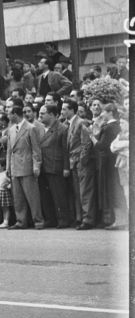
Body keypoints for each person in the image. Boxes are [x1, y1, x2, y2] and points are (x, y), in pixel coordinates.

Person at [5, 102, 44, 229]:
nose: (8, 116)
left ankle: (38, 221)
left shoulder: (30, 128)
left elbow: (36, 149)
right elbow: (9, 151)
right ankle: (21, 221)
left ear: (15, 114)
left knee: (32, 196)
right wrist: (8, 167)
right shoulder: (11, 129)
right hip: (15, 166)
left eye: (9, 114)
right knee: (18, 197)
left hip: (27, 165)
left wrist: (36, 165)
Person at [36, 103, 72, 228]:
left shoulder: (62, 129)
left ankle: (63, 219)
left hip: (56, 167)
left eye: (42, 113)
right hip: (43, 167)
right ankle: (50, 219)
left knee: (59, 195)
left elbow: (66, 150)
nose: (39, 116)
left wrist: (66, 167)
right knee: (45, 196)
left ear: (51, 115)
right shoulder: (39, 128)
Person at [61, 98, 96, 229]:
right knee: (78, 192)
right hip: (74, 162)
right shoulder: (68, 123)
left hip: (82, 162)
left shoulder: (81, 123)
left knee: (85, 191)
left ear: (72, 110)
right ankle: (80, 217)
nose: (62, 111)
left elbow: (86, 143)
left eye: (64, 109)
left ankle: (88, 219)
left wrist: (82, 160)